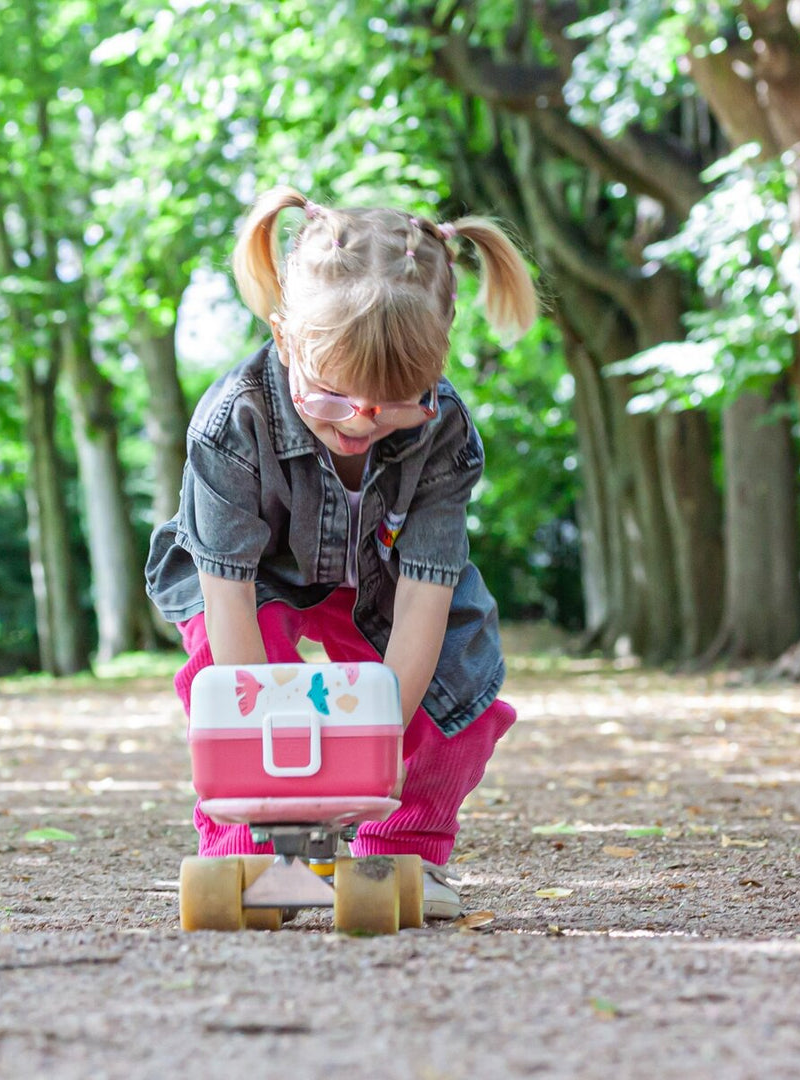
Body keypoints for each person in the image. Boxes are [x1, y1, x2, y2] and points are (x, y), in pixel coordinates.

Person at [146, 185, 538, 918]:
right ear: (285, 337)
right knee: (225, 680)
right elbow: (227, 592)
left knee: (462, 694)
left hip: (388, 586)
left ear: (439, 357)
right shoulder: (231, 424)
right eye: (330, 396)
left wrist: (376, 737)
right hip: (248, 580)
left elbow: (427, 595)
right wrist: (272, 746)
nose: (361, 423)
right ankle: (248, 851)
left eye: (396, 402)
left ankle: (403, 849)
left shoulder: (444, 433)